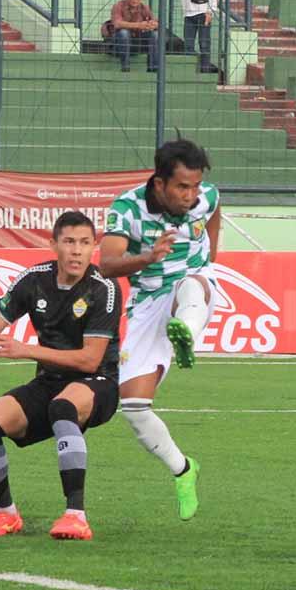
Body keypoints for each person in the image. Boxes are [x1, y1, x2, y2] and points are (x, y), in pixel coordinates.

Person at [0, 211, 122, 541]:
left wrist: (27, 350)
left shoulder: (103, 289)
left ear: (94, 246)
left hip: (99, 383)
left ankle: (75, 515)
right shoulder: (34, 280)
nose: (76, 251)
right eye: (68, 242)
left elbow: (90, 360)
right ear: (53, 245)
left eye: (84, 243)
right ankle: (6, 514)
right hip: (50, 381)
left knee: (62, 407)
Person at [99, 138, 221, 521]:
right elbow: (106, 264)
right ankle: (184, 470)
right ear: (159, 184)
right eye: (182, 187)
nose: (191, 195)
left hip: (192, 285)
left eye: (195, 186)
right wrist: (148, 257)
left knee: (191, 286)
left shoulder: (206, 197)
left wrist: (210, 258)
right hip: (148, 300)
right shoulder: (127, 209)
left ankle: (183, 332)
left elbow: (214, 207)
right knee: (134, 407)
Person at [169, 0, 219, 73]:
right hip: (188, 15)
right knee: (188, 45)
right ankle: (190, 71)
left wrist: (210, 12)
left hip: (203, 13)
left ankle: (205, 70)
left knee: (204, 44)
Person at [104, 0, 160, 72]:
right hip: (118, 44)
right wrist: (139, 25)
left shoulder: (144, 7)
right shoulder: (118, 6)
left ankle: (153, 68)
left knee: (155, 34)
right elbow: (117, 23)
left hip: (137, 43)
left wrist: (153, 24)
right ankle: (125, 67)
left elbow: (153, 21)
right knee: (124, 33)